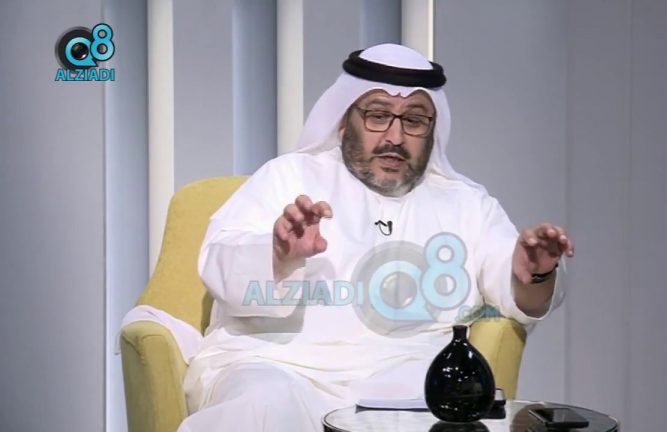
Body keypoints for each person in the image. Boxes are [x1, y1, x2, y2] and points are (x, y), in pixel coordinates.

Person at [176, 43, 574, 432]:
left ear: (432, 130)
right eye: (378, 115)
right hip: (279, 363)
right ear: (344, 119)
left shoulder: (467, 203)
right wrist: (279, 255)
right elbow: (219, 262)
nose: (395, 137)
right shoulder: (287, 177)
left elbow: (519, 293)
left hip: (406, 375)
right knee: (262, 403)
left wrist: (533, 272)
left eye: (414, 120)